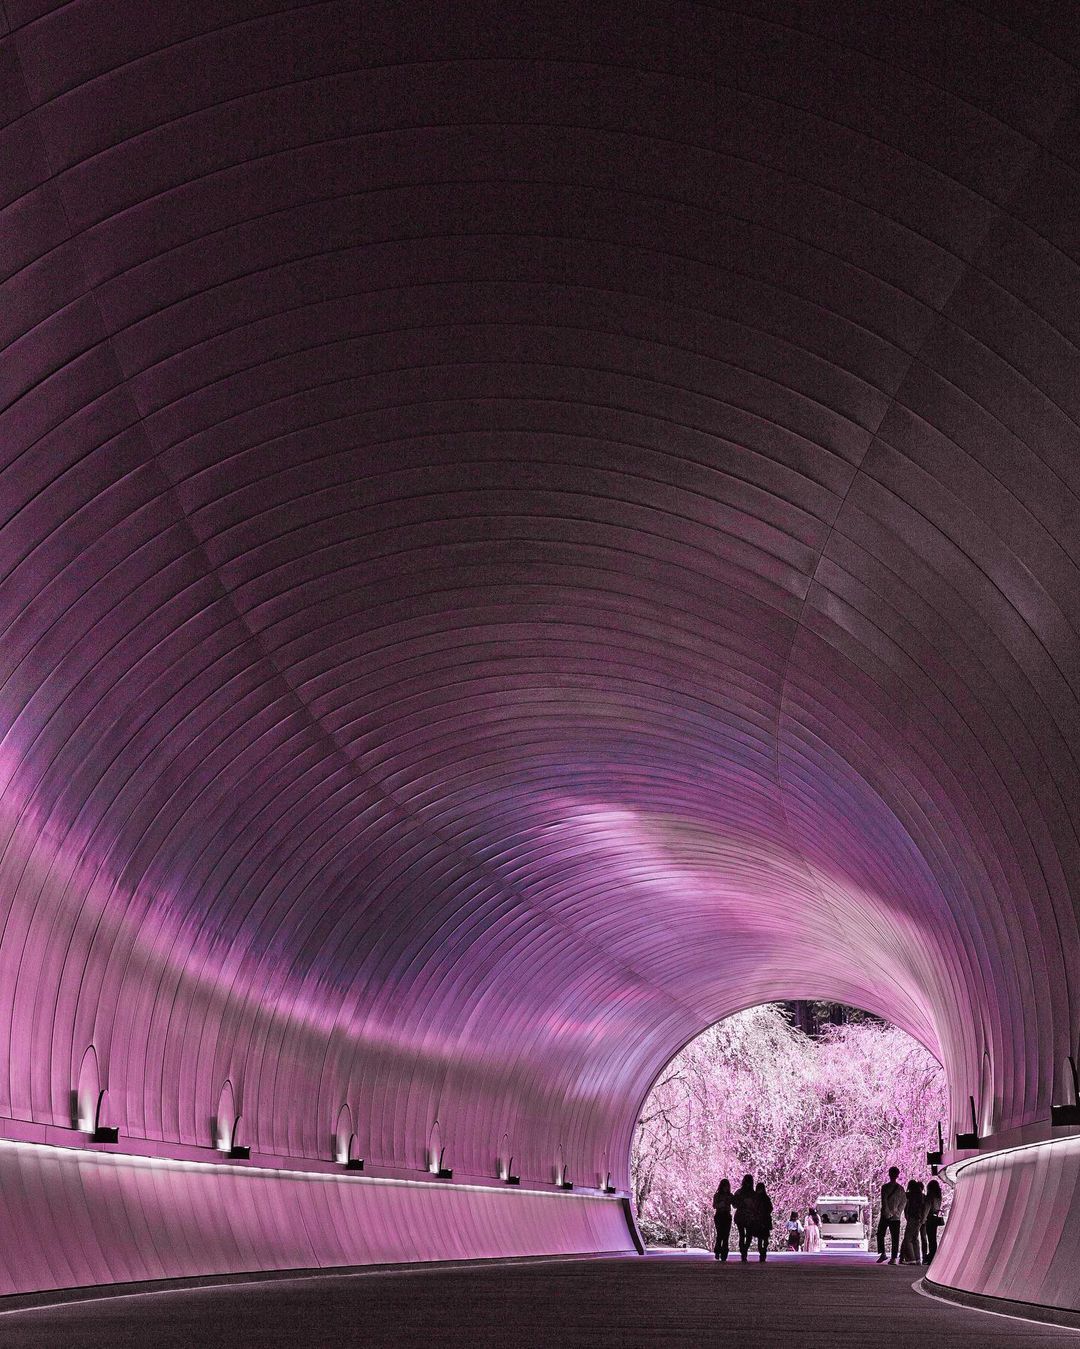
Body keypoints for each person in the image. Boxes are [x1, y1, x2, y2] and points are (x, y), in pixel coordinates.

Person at [876, 1166, 905, 1264]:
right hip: (896, 1217)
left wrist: (888, 1213)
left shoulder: (885, 1187)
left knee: (880, 1234)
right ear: (897, 1175)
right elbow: (903, 1202)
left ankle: (883, 1253)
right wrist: (897, 1213)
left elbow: (884, 1201)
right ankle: (893, 1258)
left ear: (889, 1174)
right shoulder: (901, 1189)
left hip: (885, 1215)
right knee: (895, 1237)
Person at [899, 1179, 925, 1263]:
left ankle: (911, 1258)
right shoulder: (921, 1196)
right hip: (918, 1219)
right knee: (915, 1239)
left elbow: (905, 1202)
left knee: (908, 1239)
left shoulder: (910, 1195)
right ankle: (917, 1259)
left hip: (912, 1218)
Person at [732, 1174, 756, 1262]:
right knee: (746, 1235)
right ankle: (744, 1251)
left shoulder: (739, 1192)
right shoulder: (753, 1194)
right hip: (747, 1216)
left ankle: (743, 1251)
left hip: (742, 1216)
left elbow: (734, 1204)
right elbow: (734, 1204)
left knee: (743, 1235)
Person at [712, 1178, 733, 1261]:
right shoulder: (717, 1195)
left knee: (726, 1235)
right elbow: (714, 1205)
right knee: (720, 1234)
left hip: (726, 1215)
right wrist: (721, 1204)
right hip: (719, 1215)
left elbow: (734, 1203)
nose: (726, 1188)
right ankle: (718, 1251)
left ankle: (724, 1253)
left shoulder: (730, 1195)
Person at [923, 1178, 943, 1265]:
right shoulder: (938, 1197)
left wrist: (923, 1218)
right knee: (933, 1239)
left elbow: (927, 1208)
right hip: (935, 1218)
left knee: (930, 1238)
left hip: (930, 1218)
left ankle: (931, 1256)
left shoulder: (930, 1196)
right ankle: (933, 1256)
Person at [752, 1181, 773, 1261]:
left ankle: (763, 1251)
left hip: (763, 1219)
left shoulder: (764, 1198)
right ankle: (762, 1252)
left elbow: (770, 1208)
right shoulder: (759, 1198)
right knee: (761, 1238)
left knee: (763, 1238)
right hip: (761, 1220)